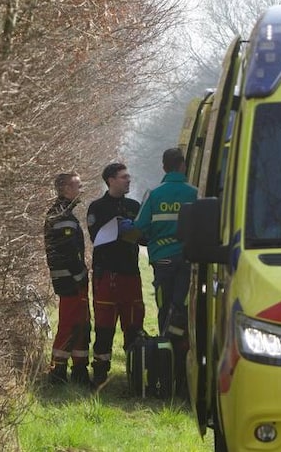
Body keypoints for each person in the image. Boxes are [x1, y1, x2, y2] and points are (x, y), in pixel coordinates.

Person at [134, 148, 199, 396]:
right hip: (189, 261)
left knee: (165, 309)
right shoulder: (195, 194)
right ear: (183, 166)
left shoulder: (154, 194)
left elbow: (140, 228)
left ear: (163, 167)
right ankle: (182, 370)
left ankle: (164, 366)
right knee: (182, 311)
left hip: (162, 262)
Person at [85, 162, 145, 390]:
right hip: (106, 275)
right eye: (123, 177)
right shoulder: (97, 207)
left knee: (134, 325)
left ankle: (135, 375)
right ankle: (100, 374)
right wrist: (123, 231)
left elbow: (144, 238)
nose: (128, 180)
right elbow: (97, 237)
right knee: (104, 326)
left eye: (128, 177)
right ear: (111, 180)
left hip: (131, 274)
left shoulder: (134, 206)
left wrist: (131, 232)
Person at [43, 173, 93, 387]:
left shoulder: (63, 213)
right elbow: (68, 252)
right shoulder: (61, 216)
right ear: (64, 189)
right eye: (77, 186)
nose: (81, 190)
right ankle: (58, 371)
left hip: (70, 279)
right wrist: (81, 275)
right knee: (70, 324)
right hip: (70, 281)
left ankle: (79, 370)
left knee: (81, 324)